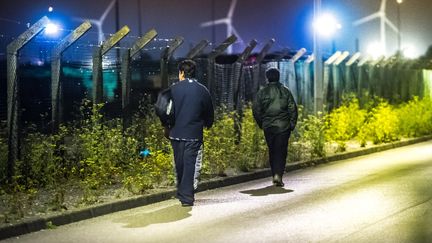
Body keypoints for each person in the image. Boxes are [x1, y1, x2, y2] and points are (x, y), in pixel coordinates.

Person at [167, 59, 214, 206]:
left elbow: (166, 110)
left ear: (181, 72)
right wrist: (208, 124)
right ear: (194, 72)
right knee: (190, 165)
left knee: (179, 164)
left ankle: (182, 192)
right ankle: (186, 196)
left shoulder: (173, 89)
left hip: (176, 134)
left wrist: (167, 125)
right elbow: (209, 111)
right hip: (194, 135)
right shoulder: (202, 90)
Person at [252, 68, 298, 187]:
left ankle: (274, 175)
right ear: (278, 76)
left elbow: (256, 110)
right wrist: (292, 124)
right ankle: (279, 175)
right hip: (284, 126)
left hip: (268, 127)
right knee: (281, 151)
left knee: (272, 150)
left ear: (267, 77)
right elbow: (292, 108)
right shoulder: (285, 91)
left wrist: (261, 123)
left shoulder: (262, 92)